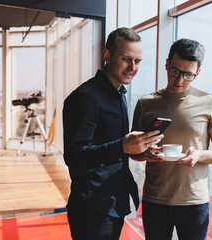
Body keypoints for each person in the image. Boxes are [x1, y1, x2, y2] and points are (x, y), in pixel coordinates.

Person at [63, 27, 164, 240]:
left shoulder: (119, 94)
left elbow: (109, 146)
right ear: (107, 55)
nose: (132, 67)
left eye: (137, 61)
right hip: (92, 208)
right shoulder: (85, 98)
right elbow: (74, 156)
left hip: (112, 202)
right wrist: (122, 147)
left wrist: (138, 152)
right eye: (126, 59)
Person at [131, 38, 212, 240]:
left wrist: (199, 155)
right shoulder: (146, 103)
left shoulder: (209, 103)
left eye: (188, 75)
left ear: (197, 73)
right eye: (175, 71)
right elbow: (134, 152)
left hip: (194, 203)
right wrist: (144, 153)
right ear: (167, 64)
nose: (179, 80)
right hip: (155, 201)